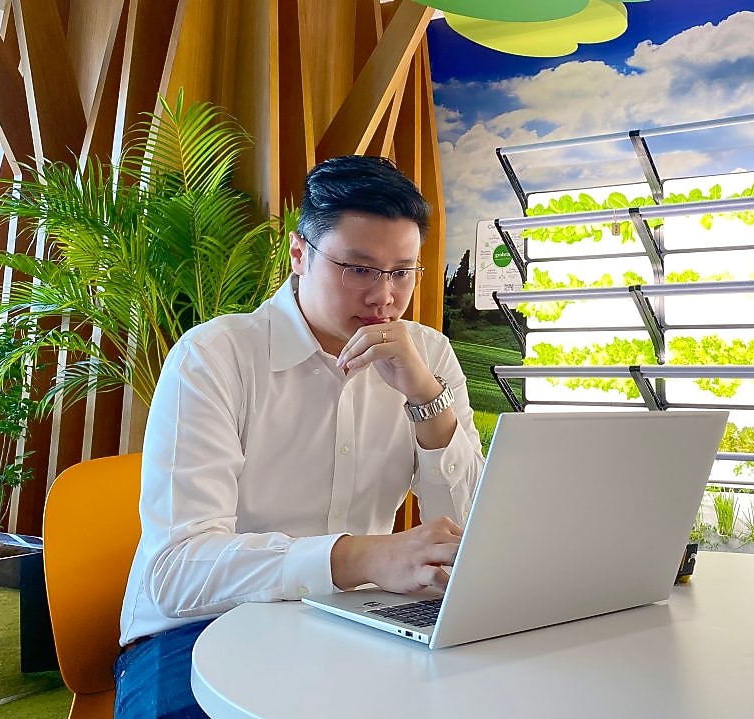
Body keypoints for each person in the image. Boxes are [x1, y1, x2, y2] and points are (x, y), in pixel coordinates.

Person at [114, 155, 484, 718]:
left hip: (357, 620)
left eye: (402, 271)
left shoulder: (428, 356)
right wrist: (363, 557)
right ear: (299, 254)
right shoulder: (215, 357)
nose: (384, 296)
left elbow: (469, 535)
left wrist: (426, 402)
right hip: (197, 628)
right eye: (358, 268)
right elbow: (176, 571)